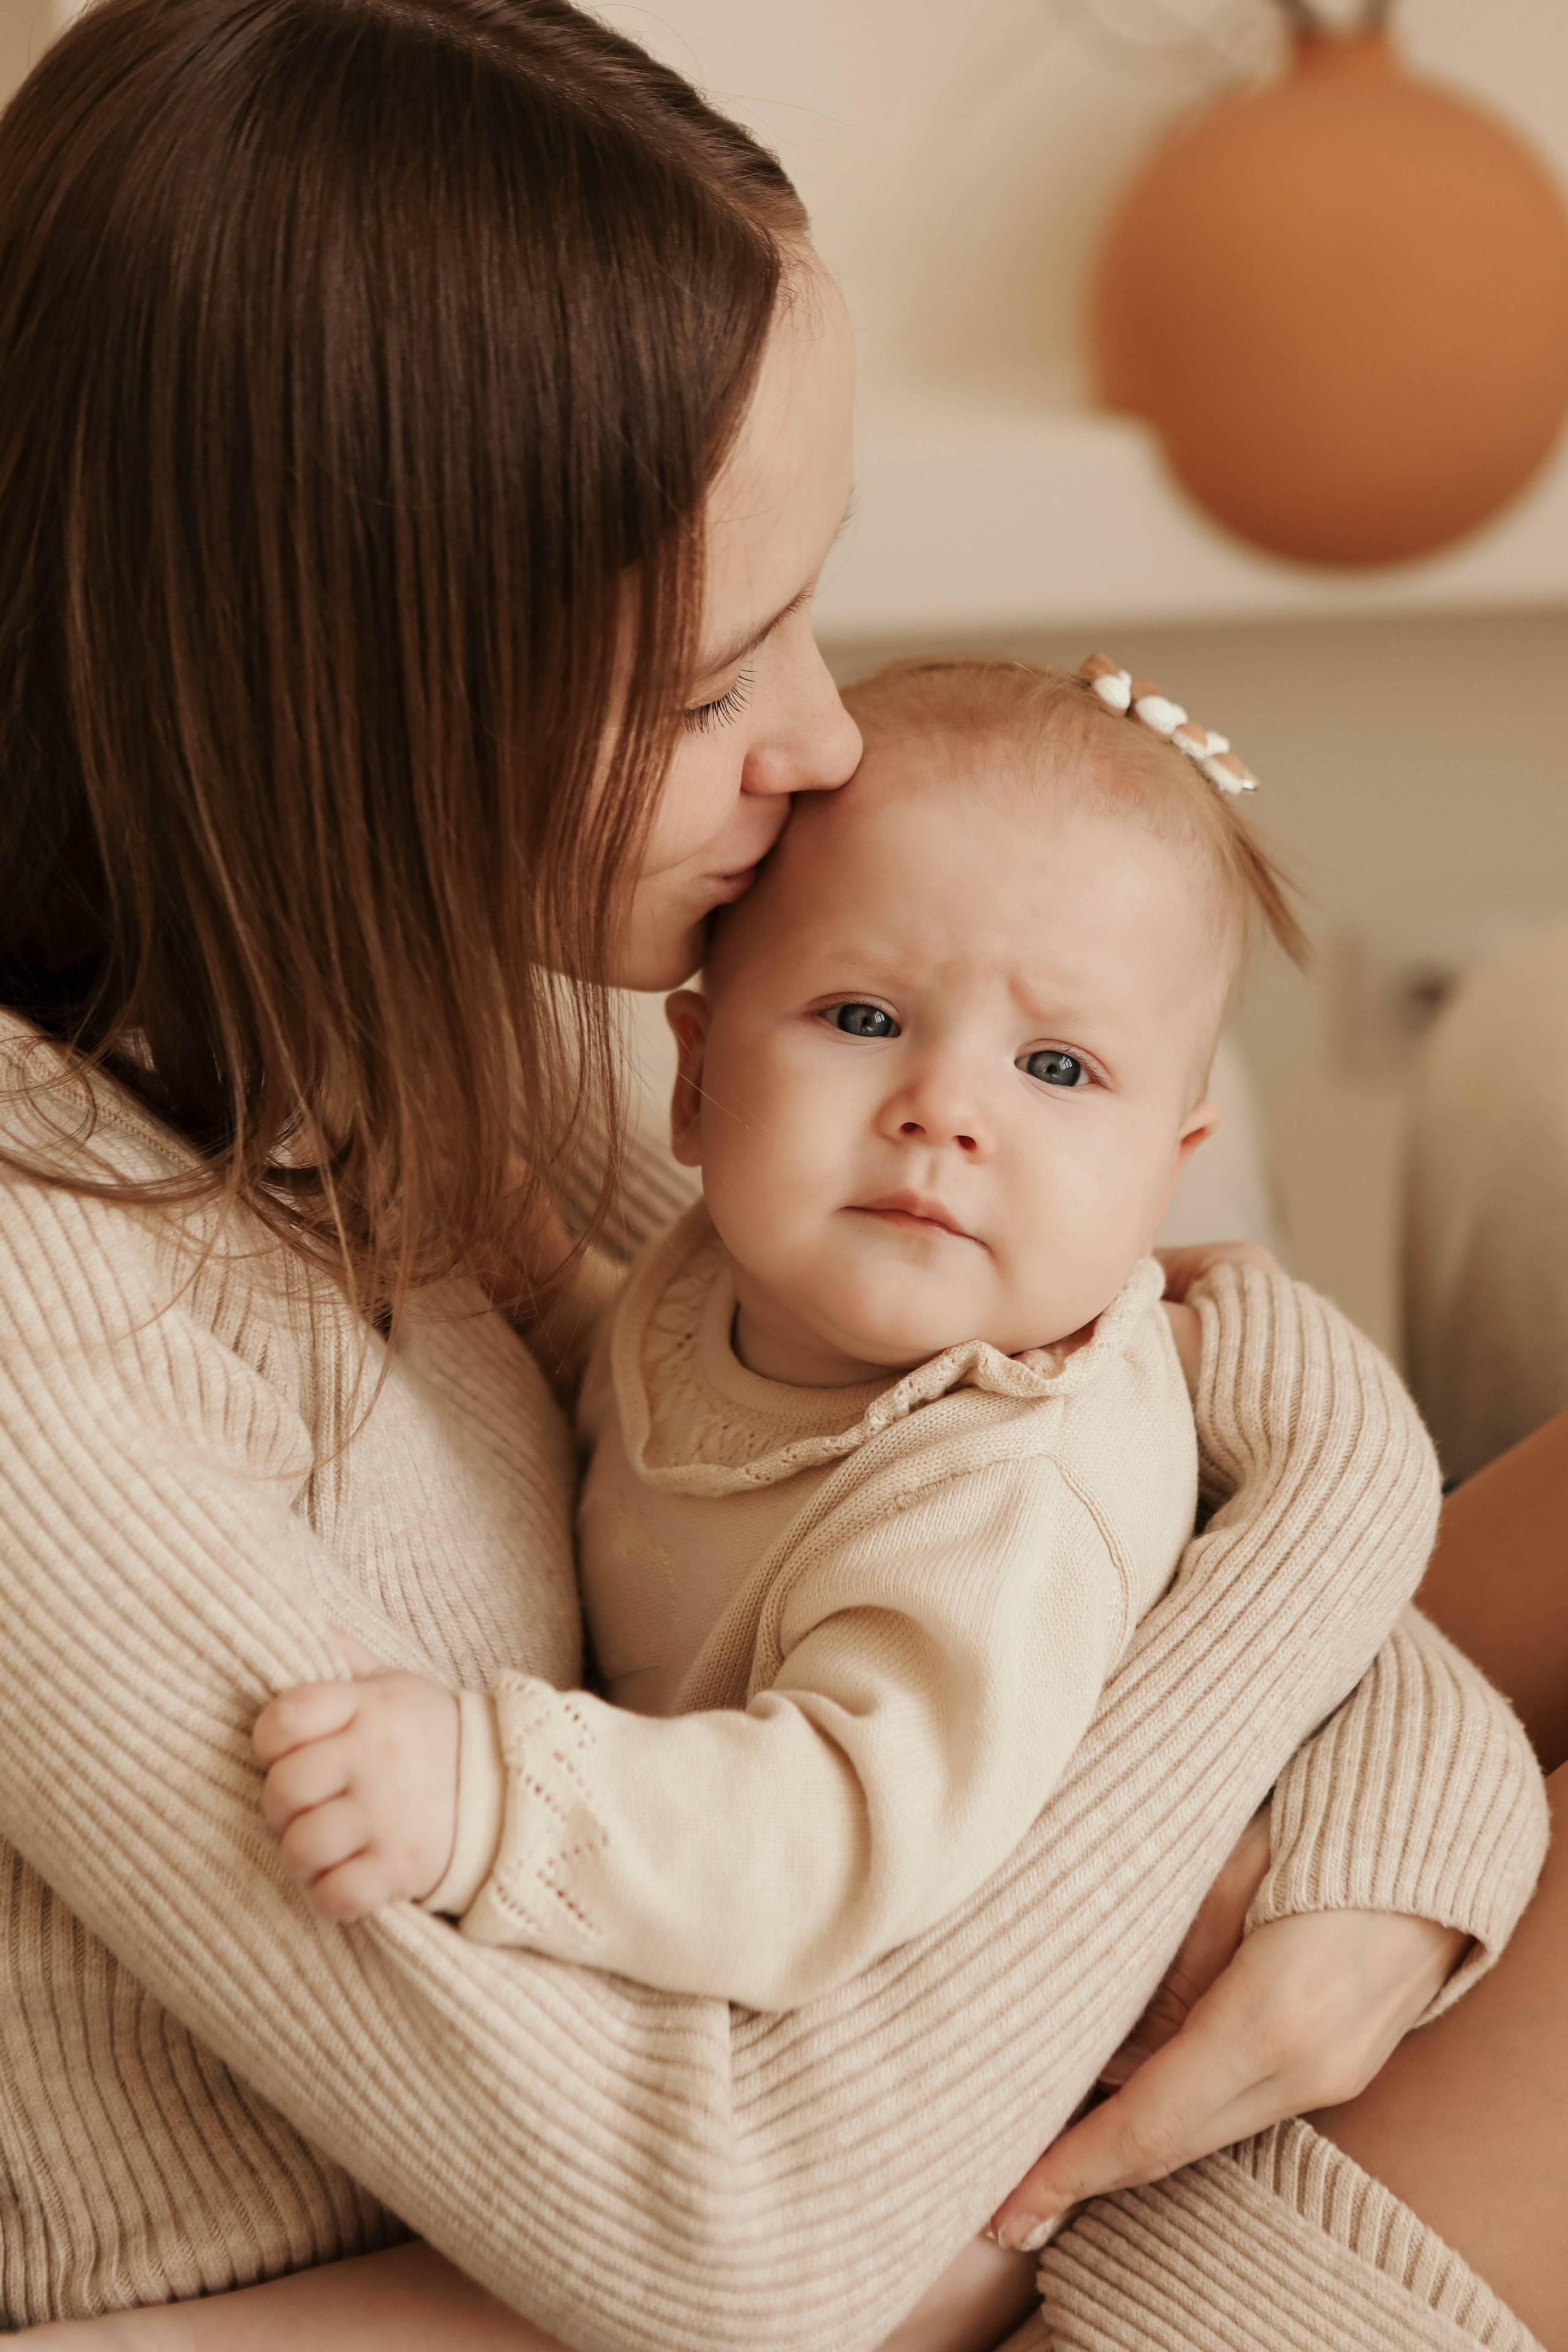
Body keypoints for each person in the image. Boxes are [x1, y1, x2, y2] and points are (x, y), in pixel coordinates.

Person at [0, 3, 1549, 2350]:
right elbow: (746, 2242)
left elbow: (1140, 1370)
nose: (824, 746)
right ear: (346, 675)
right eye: (715, 680)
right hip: (877, 2247)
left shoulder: (416, 1018)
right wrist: (1317, 1690)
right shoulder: (55, 1326)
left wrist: (1386, 1833)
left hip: (960, 2156)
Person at [251, 654, 1305, 2015]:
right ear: (693, 1082)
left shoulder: (1007, 1495)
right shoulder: (731, 1272)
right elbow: (644, 1415)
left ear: (1165, 1175)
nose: (942, 1108)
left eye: (1055, 1067)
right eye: (862, 1018)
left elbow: (833, 1845)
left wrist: (493, 1797)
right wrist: (522, 1273)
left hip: (932, 2082)